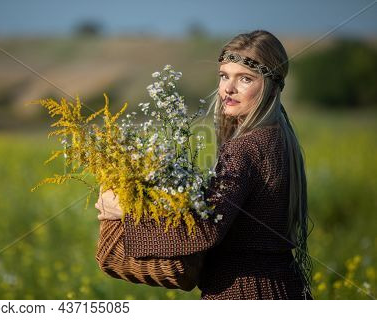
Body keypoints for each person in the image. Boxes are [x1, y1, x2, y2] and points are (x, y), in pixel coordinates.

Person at [95, 29, 313, 300]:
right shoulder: (280, 137)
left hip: (244, 295)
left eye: (245, 78)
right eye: (224, 76)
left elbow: (204, 228)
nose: (228, 89)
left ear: (269, 85)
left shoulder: (245, 147)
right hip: (281, 288)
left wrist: (125, 213)